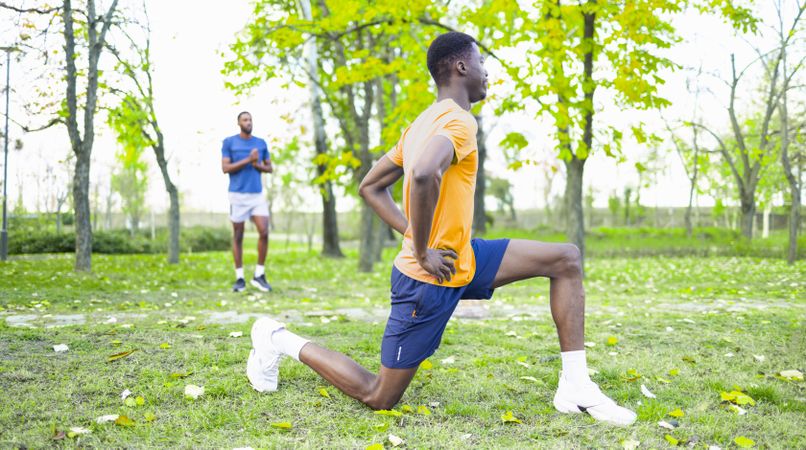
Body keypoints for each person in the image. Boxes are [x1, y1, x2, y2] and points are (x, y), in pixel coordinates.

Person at [245, 32, 636, 426]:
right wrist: (421, 250)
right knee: (379, 395)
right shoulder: (459, 121)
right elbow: (424, 174)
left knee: (565, 259)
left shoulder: (421, 123)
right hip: (427, 278)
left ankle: (576, 384)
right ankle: (276, 339)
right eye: (482, 63)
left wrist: (418, 236)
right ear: (461, 66)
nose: (487, 73)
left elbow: (370, 186)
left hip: (461, 257)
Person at [221, 111, 274, 293]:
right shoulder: (229, 142)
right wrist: (248, 160)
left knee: (264, 232)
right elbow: (225, 168)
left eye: (251, 119)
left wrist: (257, 164)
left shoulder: (260, 143)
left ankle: (259, 275)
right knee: (238, 236)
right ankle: (240, 278)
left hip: (256, 195)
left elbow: (269, 167)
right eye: (245, 119)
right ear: (238, 123)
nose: (249, 122)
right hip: (237, 194)